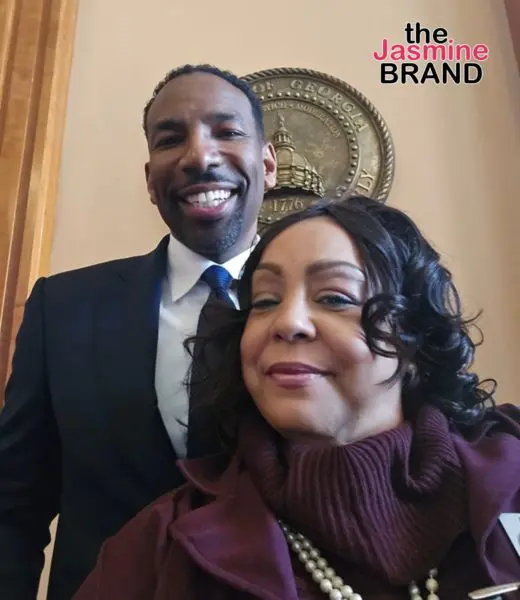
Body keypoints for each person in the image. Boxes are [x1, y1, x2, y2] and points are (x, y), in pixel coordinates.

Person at [74, 195, 520, 600]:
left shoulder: (508, 481)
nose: (287, 322)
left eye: (334, 297)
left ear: (416, 342)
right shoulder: (160, 547)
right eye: (265, 301)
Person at [0, 64, 277, 600]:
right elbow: (14, 500)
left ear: (267, 165)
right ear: (151, 180)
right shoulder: (63, 308)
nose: (199, 156)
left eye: (226, 131)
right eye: (170, 139)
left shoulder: (327, 310)